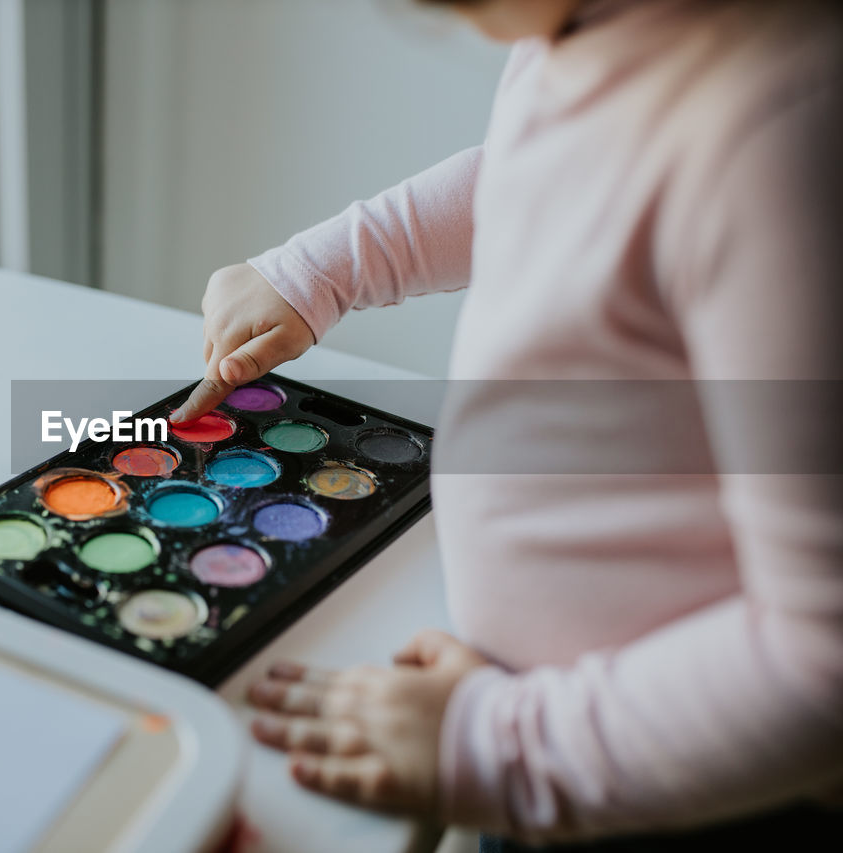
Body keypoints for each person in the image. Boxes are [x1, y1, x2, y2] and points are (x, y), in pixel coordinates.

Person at [171, 0, 843, 848]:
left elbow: (823, 666)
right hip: (534, 729)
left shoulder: (778, 141)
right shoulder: (581, 28)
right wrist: (328, 267)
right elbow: (541, 176)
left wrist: (491, 746)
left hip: (678, 783)